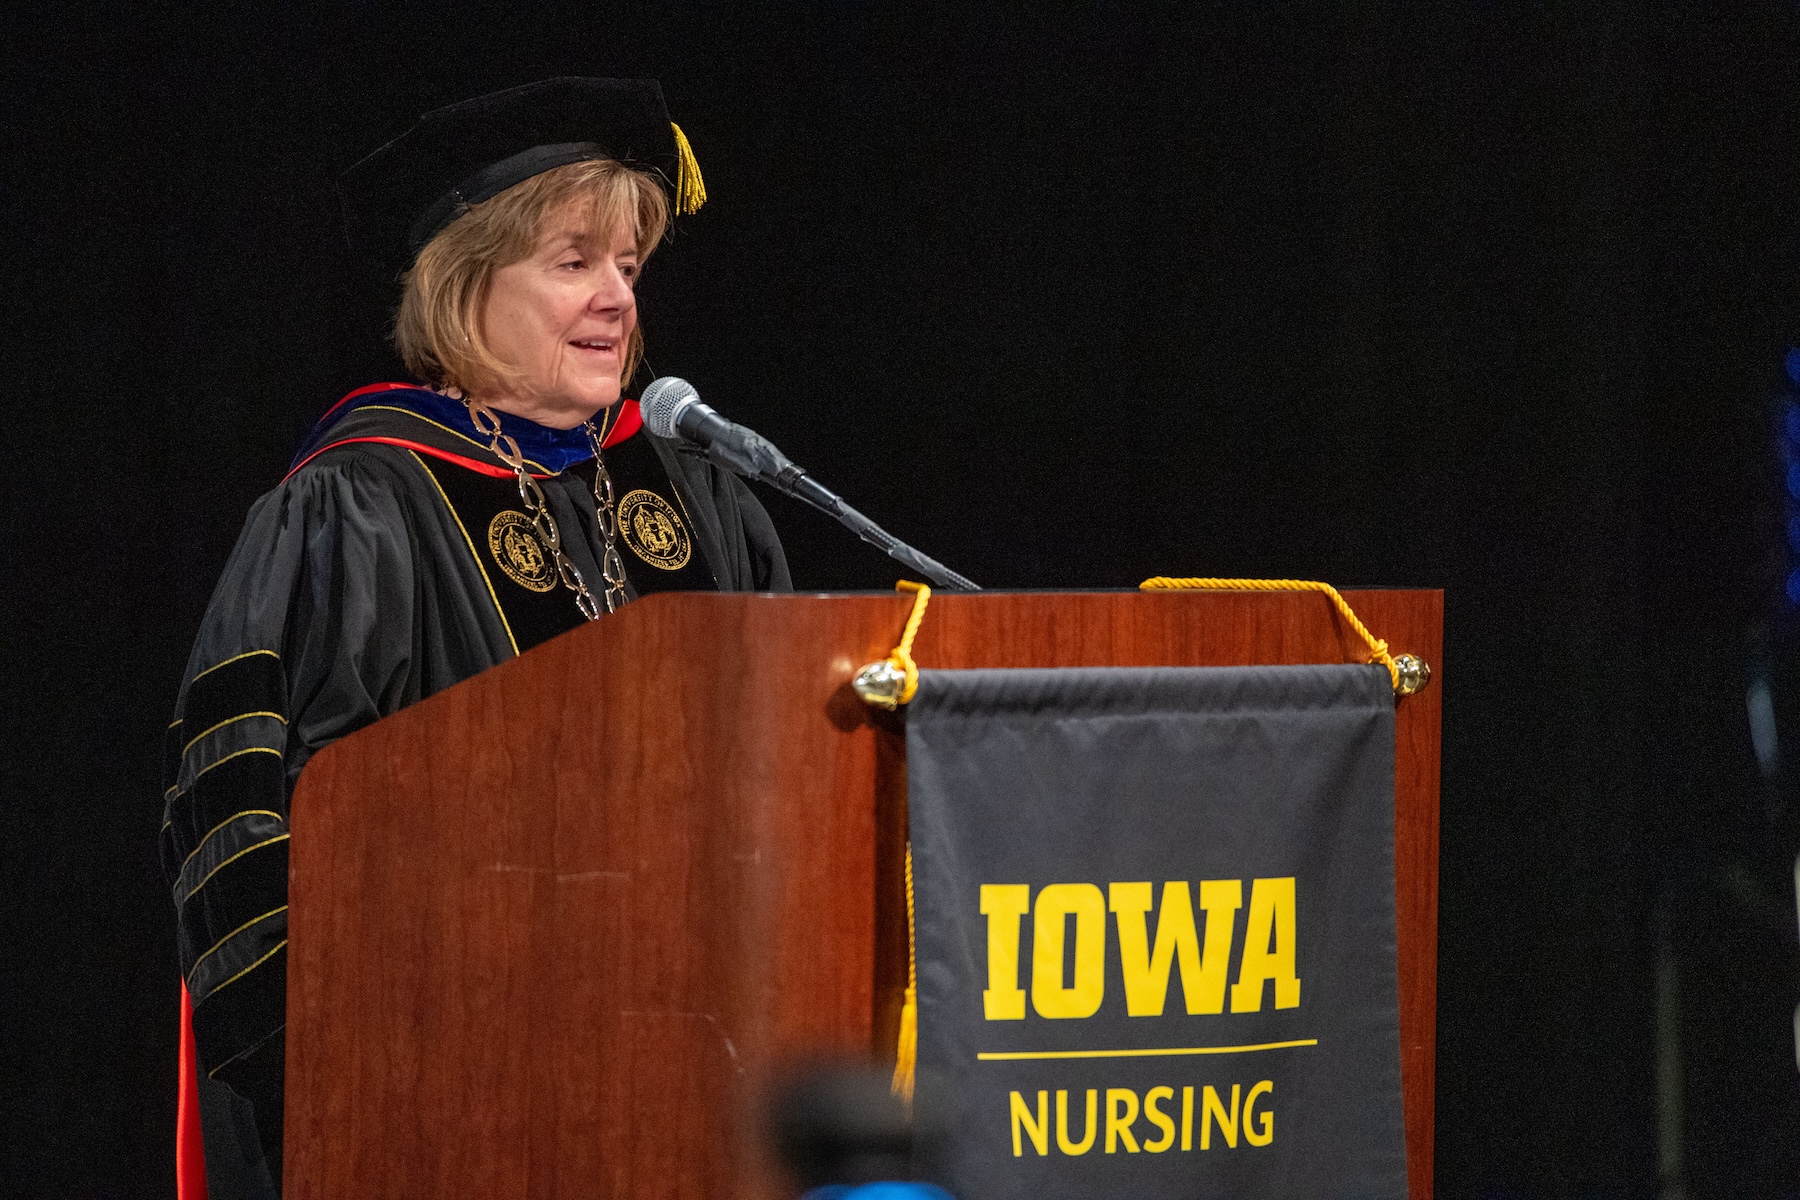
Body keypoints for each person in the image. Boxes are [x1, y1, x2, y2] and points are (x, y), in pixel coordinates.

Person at [159, 78, 790, 1198]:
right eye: (573, 262)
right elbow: (249, 818)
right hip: (445, 1105)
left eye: (630, 268)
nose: (616, 301)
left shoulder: (699, 493)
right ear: (462, 286)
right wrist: (339, 1072)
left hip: (710, 1083)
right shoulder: (359, 506)